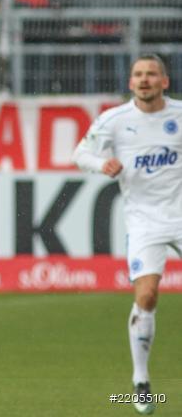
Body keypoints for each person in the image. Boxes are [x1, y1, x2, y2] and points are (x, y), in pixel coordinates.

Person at [72, 54, 182, 416]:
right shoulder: (115, 121)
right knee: (147, 295)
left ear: (165, 82)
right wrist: (101, 163)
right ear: (130, 82)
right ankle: (140, 379)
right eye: (138, 74)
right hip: (144, 222)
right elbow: (80, 153)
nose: (145, 79)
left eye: (152, 74)